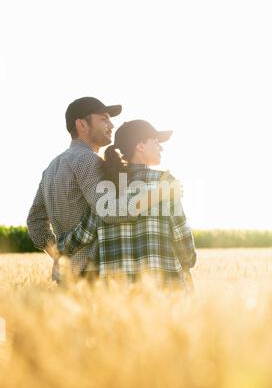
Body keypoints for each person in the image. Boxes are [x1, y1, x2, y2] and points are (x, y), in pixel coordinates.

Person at [57, 120, 197, 289]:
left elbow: (83, 235)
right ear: (140, 146)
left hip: (117, 298)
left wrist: (57, 245)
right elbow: (181, 235)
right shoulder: (165, 183)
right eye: (156, 142)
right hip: (163, 290)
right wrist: (188, 261)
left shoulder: (106, 188)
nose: (161, 148)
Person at [27, 97, 138, 281]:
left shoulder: (51, 167)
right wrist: (152, 197)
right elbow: (110, 211)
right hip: (92, 272)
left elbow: (34, 221)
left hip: (65, 275)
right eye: (103, 119)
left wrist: (60, 257)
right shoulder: (88, 160)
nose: (111, 125)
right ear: (82, 125)